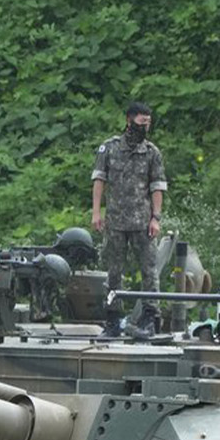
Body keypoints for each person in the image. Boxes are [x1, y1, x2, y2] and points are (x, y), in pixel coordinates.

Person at [90, 101, 166, 330]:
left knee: (149, 271)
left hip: (142, 222)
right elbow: (99, 180)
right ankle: (113, 315)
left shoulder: (152, 152)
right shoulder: (110, 148)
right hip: (115, 221)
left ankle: (151, 315)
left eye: (148, 123)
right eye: (142, 122)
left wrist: (156, 218)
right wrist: (96, 212)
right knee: (114, 271)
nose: (145, 127)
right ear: (129, 120)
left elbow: (157, 187)